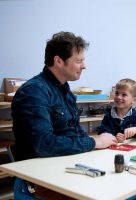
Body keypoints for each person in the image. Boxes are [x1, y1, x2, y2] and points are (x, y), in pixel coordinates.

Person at [12, 31, 118, 199]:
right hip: (47, 178)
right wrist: (94, 142)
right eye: (79, 61)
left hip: (72, 166)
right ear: (59, 61)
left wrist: (102, 144)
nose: (84, 66)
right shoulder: (34, 92)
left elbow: (74, 132)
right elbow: (44, 144)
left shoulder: (66, 91)